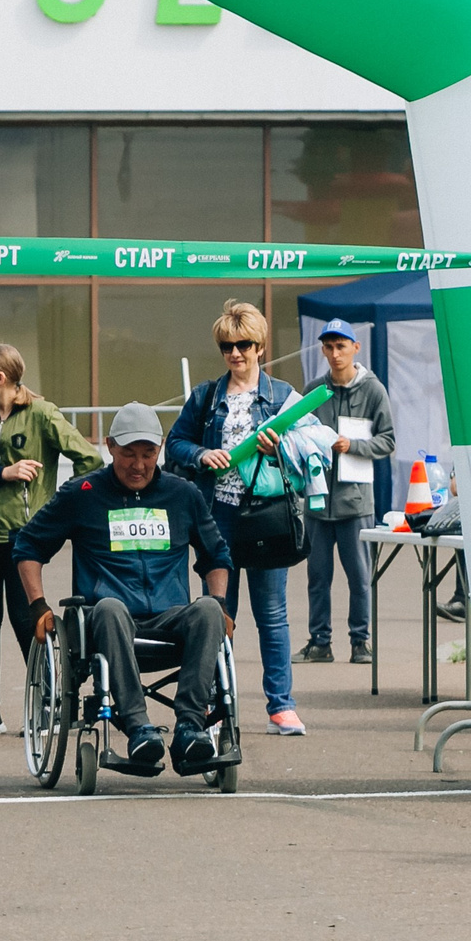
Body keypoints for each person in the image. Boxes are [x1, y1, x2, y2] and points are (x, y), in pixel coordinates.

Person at [12, 401, 234, 776]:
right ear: (110, 446)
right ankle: (138, 728)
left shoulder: (183, 494)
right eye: (128, 454)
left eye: (148, 454)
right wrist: (38, 605)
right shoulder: (82, 493)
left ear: (160, 449)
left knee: (210, 610)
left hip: (170, 617)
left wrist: (221, 602)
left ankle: (190, 727)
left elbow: (216, 556)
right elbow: (28, 547)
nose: (138, 464)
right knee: (111, 607)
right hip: (108, 619)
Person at [166, 300, 303, 735]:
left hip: (267, 516)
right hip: (217, 517)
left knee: (272, 614)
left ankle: (281, 706)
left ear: (260, 346)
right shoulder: (206, 397)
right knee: (215, 614)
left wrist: (280, 447)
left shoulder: (282, 395)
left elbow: (313, 444)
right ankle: (211, 706)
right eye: (228, 346)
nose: (236, 353)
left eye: (244, 344)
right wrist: (203, 453)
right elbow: (176, 443)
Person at [0, 343, 100, 733]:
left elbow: (88, 458)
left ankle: (48, 702)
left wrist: (59, 505)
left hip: (22, 537)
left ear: (1, 378)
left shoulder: (42, 413)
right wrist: (0, 474)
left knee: (27, 620)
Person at [296, 319, 396, 667]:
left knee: (359, 576)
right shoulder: (313, 390)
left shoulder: (373, 390)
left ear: (356, 348)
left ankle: (360, 642)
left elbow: (388, 440)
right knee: (318, 576)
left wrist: (352, 445)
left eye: (341, 346)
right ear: (322, 350)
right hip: (318, 497)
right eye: (329, 347)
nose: (335, 353)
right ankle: (319, 641)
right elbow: (297, 433)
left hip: (355, 500)